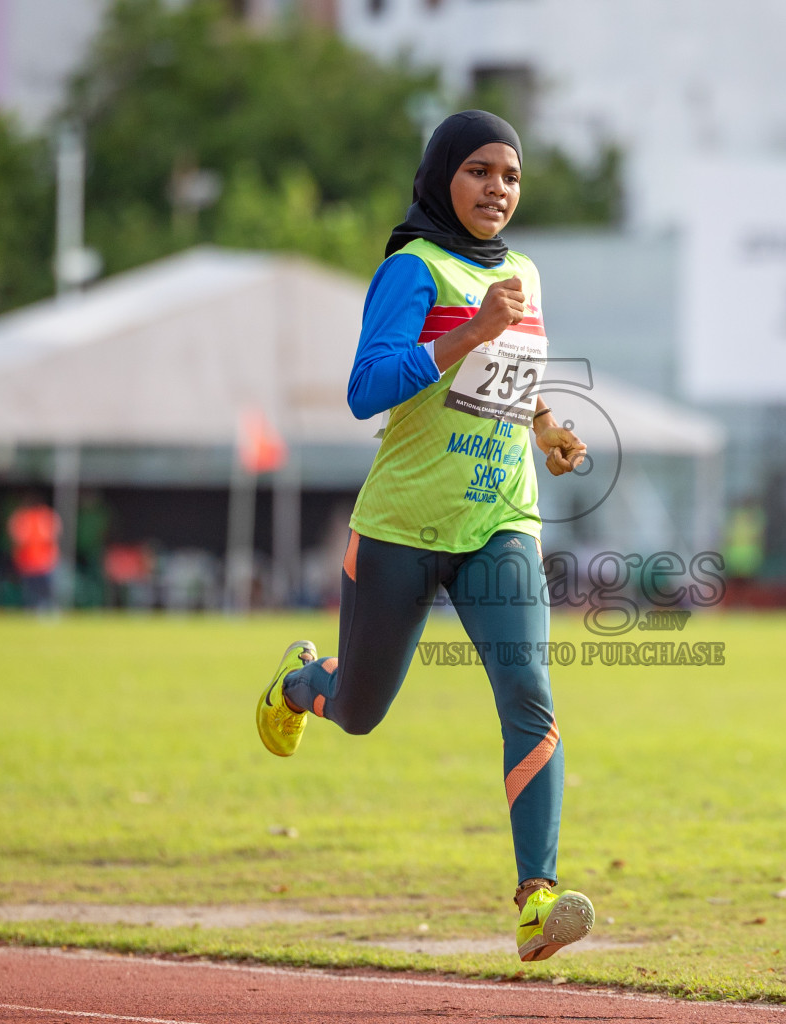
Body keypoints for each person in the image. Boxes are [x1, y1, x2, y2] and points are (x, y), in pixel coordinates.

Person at [252, 111, 595, 963]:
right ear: (443, 176)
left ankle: (535, 899)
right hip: (402, 525)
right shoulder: (412, 269)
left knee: (529, 693)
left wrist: (545, 423)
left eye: (511, 177)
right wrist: (467, 330)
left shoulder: (524, 271)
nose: (497, 190)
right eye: (479, 171)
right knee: (360, 712)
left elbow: (512, 374)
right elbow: (367, 388)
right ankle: (299, 685)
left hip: (499, 519)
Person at [8, 493, 61, 610]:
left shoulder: (45, 516)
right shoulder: (22, 517)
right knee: (31, 590)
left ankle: (48, 608)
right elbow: (17, 537)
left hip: (44, 561)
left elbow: (54, 536)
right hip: (29, 560)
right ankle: (33, 608)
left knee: (46, 589)